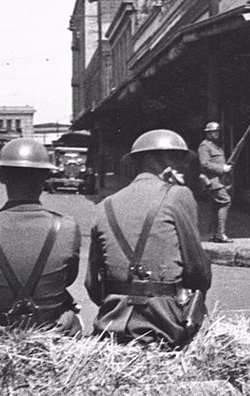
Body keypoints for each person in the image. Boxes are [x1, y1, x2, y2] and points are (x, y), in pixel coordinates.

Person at [86, 129, 211, 347]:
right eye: (176, 158)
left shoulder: (104, 206)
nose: (182, 165)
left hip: (112, 326)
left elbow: (92, 284)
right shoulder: (178, 195)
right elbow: (199, 273)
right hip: (165, 326)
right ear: (157, 159)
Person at [0, 138, 83, 343]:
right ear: (45, 178)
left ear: (1, 177)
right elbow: (68, 279)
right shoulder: (67, 227)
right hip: (52, 333)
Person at [198, 121, 233, 243]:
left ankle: (212, 233)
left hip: (219, 180)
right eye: (213, 131)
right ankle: (220, 233)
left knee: (215, 205)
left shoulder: (216, 146)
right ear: (207, 133)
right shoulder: (204, 146)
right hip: (212, 181)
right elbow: (204, 163)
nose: (216, 133)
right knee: (225, 202)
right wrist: (221, 169)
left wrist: (226, 167)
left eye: (217, 131)